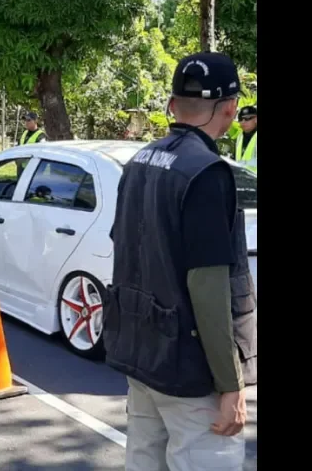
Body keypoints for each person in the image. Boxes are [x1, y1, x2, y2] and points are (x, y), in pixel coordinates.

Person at [104, 52, 257, 470]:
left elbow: (126, 250)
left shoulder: (138, 163)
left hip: (143, 354)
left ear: (172, 105)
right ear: (229, 108)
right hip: (190, 372)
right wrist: (230, 384)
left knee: (144, 461)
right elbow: (208, 287)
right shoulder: (207, 173)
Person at [228, 105, 257, 173]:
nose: (243, 122)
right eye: (240, 119)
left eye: (247, 118)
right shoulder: (240, 136)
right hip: (242, 178)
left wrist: (244, 163)